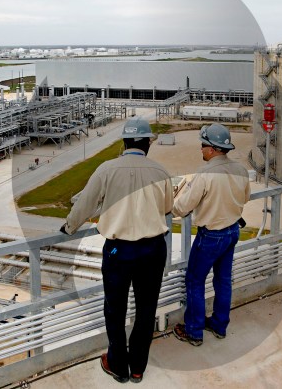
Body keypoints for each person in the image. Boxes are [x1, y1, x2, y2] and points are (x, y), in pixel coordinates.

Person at [61, 117, 173, 383]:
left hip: (118, 252)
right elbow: (168, 207)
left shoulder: (106, 169)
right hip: (152, 249)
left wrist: (69, 227)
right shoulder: (160, 172)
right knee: (146, 309)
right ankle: (138, 368)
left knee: (115, 309)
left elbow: (86, 203)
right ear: (147, 143)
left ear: (124, 143)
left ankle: (118, 366)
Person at [171, 123, 251, 346]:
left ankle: (194, 331)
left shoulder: (205, 174)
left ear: (213, 149)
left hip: (211, 236)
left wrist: (169, 207)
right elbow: (245, 199)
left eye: (203, 145)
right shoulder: (241, 170)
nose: (201, 149)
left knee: (195, 281)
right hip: (233, 231)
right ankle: (218, 324)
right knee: (223, 280)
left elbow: (182, 207)